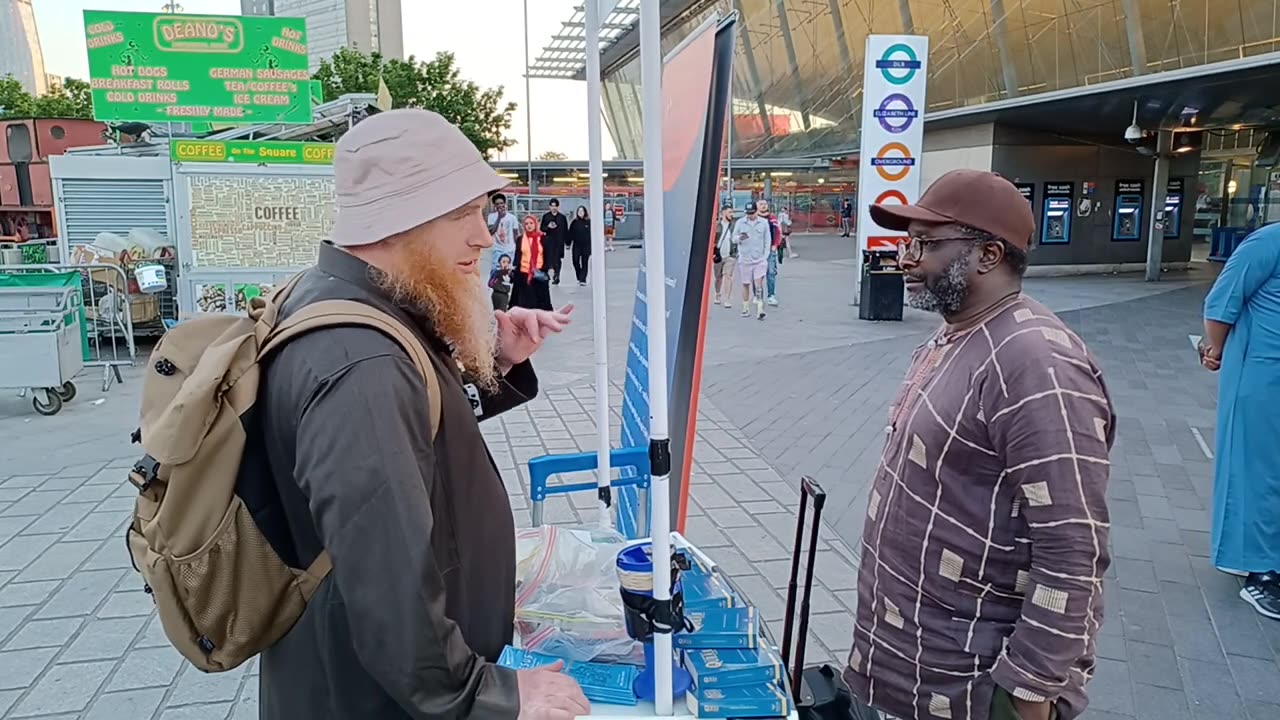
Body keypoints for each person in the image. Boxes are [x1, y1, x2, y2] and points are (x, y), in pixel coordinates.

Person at [257, 109, 588, 720]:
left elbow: (408, 439)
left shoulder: (355, 303)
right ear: (398, 217)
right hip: (375, 699)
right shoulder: (361, 362)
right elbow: (388, 588)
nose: (485, 237)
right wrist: (486, 696)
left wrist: (501, 364)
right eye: (463, 213)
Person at [844, 169, 1114, 720]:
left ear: (989, 254)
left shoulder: (1037, 361)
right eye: (906, 242)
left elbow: (1072, 549)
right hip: (906, 666)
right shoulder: (954, 333)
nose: (906, 258)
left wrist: (1029, 691)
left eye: (925, 243)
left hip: (972, 685)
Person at [1200, 222, 1280, 619]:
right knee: (1259, 471)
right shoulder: (1269, 242)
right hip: (1262, 376)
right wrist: (1214, 349)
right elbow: (1221, 303)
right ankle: (1261, 571)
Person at [733, 201, 770, 320]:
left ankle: (760, 308)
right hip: (745, 258)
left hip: (759, 258)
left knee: (758, 284)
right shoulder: (740, 222)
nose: (750, 215)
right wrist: (740, 238)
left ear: (756, 211)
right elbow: (733, 238)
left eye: (752, 213)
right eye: (748, 213)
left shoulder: (763, 223)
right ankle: (745, 307)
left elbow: (767, 240)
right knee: (745, 283)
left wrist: (765, 256)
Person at [511, 214, 553, 311]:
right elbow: (518, 254)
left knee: (541, 302)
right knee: (523, 302)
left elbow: (548, 254)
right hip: (524, 273)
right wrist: (514, 268)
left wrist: (550, 268)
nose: (529, 225)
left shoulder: (543, 238)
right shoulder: (520, 239)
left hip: (539, 273)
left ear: (535, 224)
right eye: (526, 224)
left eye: (531, 223)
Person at [487, 192, 521, 275]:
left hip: (510, 249)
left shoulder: (512, 218)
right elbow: (491, 231)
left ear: (505, 204)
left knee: (510, 272)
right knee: (495, 271)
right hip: (497, 249)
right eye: (497, 204)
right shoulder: (491, 217)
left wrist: (518, 249)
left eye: (501, 203)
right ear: (495, 206)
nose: (500, 205)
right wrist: (499, 217)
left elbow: (516, 234)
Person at [758, 199, 782, 307]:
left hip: (770, 249)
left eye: (765, 204)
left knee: (771, 272)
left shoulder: (772, 218)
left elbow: (778, 232)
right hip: (757, 250)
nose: (763, 206)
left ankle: (771, 295)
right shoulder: (754, 218)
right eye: (761, 204)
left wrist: (775, 245)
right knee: (757, 274)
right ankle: (757, 295)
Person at [540, 198, 569, 285]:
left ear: (557, 207)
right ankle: (547, 274)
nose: (553, 208)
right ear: (549, 207)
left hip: (559, 242)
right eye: (552, 206)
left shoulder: (562, 218)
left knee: (557, 259)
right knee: (548, 258)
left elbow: (565, 230)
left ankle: (557, 275)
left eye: (555, 206)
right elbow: (542, 228)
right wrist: (548, 227)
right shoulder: (546, 217)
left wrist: (567, 242)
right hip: (548, 241)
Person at [713, 206, 735, 306]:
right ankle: (718, 294)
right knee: (718, 277)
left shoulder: (733, 226)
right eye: (729, 212)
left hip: (730, 255)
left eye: (732, 212)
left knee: (728, 276)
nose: (732, 214)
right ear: (723, 214)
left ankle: (727, 299)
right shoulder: (716, 226)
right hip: (718, 255)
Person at [569, 205, 592, 285]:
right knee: (575, 261)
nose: (580, 213)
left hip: (586, 245)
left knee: (584, 262)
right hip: (576, 245)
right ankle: (579, 276)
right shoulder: (574, 222)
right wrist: (568, 243)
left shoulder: (589, 222)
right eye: (579, 211)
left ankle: (583, 279)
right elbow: (570, 233)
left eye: (582, 211)